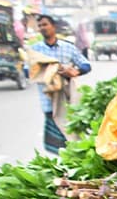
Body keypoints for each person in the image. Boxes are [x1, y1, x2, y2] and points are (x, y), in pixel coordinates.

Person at [30, 15, 91, 154]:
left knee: (71, 136)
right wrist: (48, 71)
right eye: (40, 26)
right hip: (48, 99)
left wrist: (75, 71)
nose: (42, 28)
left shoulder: (68, 48)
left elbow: (86, 65)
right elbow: (29, 70)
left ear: (54, 27)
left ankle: (73, 164)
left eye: (45, 24)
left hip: (68, 99)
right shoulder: (35, 50)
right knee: (57, 141)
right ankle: (64, 166)